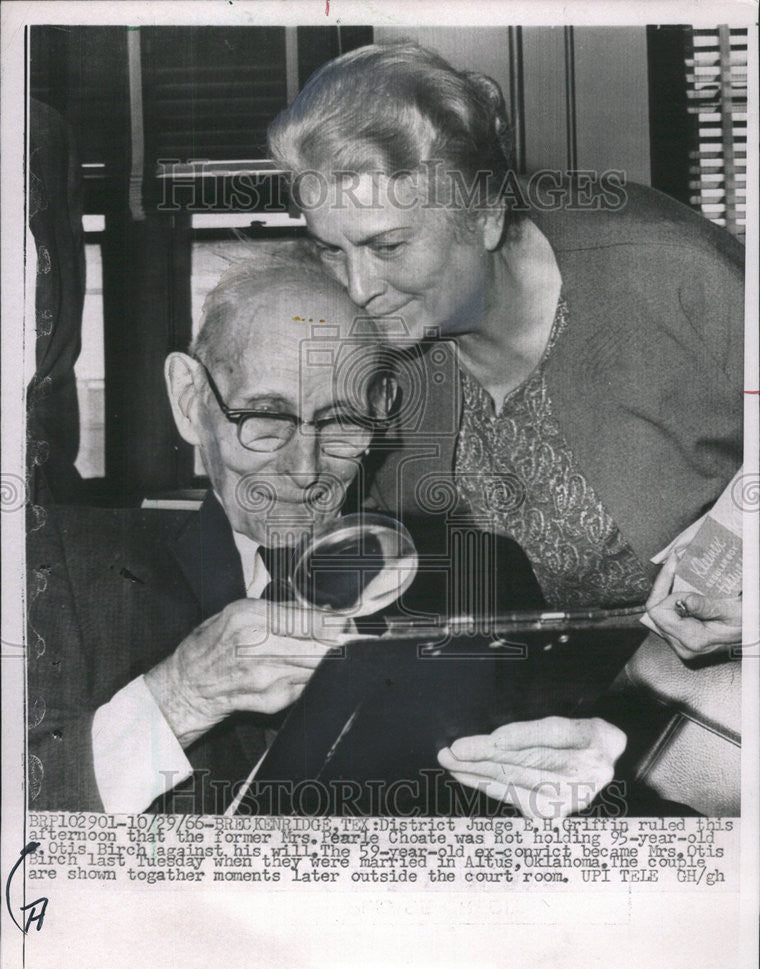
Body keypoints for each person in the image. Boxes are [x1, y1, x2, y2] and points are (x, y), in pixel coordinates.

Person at [267, 42, 743, 808]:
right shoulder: (386, 350)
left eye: (388, 245)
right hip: (573, 739)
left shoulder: (669, 272)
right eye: (332, 250)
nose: (358, 287)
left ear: (485, 210)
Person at [27, 244, 398, 814]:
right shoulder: (62, 571)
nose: (305, 469)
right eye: (267, 417)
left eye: (343, 421)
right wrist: (180, 697)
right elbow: (20, 819)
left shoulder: (472, 574)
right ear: (189, 400)